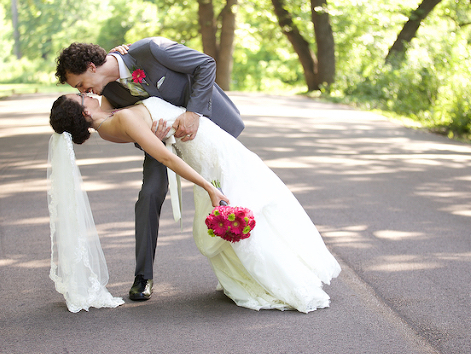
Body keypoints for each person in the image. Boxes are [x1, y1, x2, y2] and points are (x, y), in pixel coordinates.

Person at [48, 93, 341, 313]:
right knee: (248, 200)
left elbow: (155, 138)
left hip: (203, 142)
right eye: (82, 95)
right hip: (205, 148)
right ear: (84, 110)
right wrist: (204, 185)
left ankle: (258, 273)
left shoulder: (109, 124)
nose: (88, 93)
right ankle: (282, 277)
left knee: (251, 198)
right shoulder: (118, 120)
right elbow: (164, 157)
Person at [55, 38, 244, 301]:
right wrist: (153, 135)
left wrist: (193, 113)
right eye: (79, 91)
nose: (85, 91)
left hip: (206, 122)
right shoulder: (108, 95)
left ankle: (244, 263)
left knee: (232, 189)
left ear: (91, 67)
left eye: (80, 84)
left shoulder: (149, 51)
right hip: (161, 143)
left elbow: (205, 64)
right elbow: (125, 126)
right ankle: (143, 276)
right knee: (149, 195)